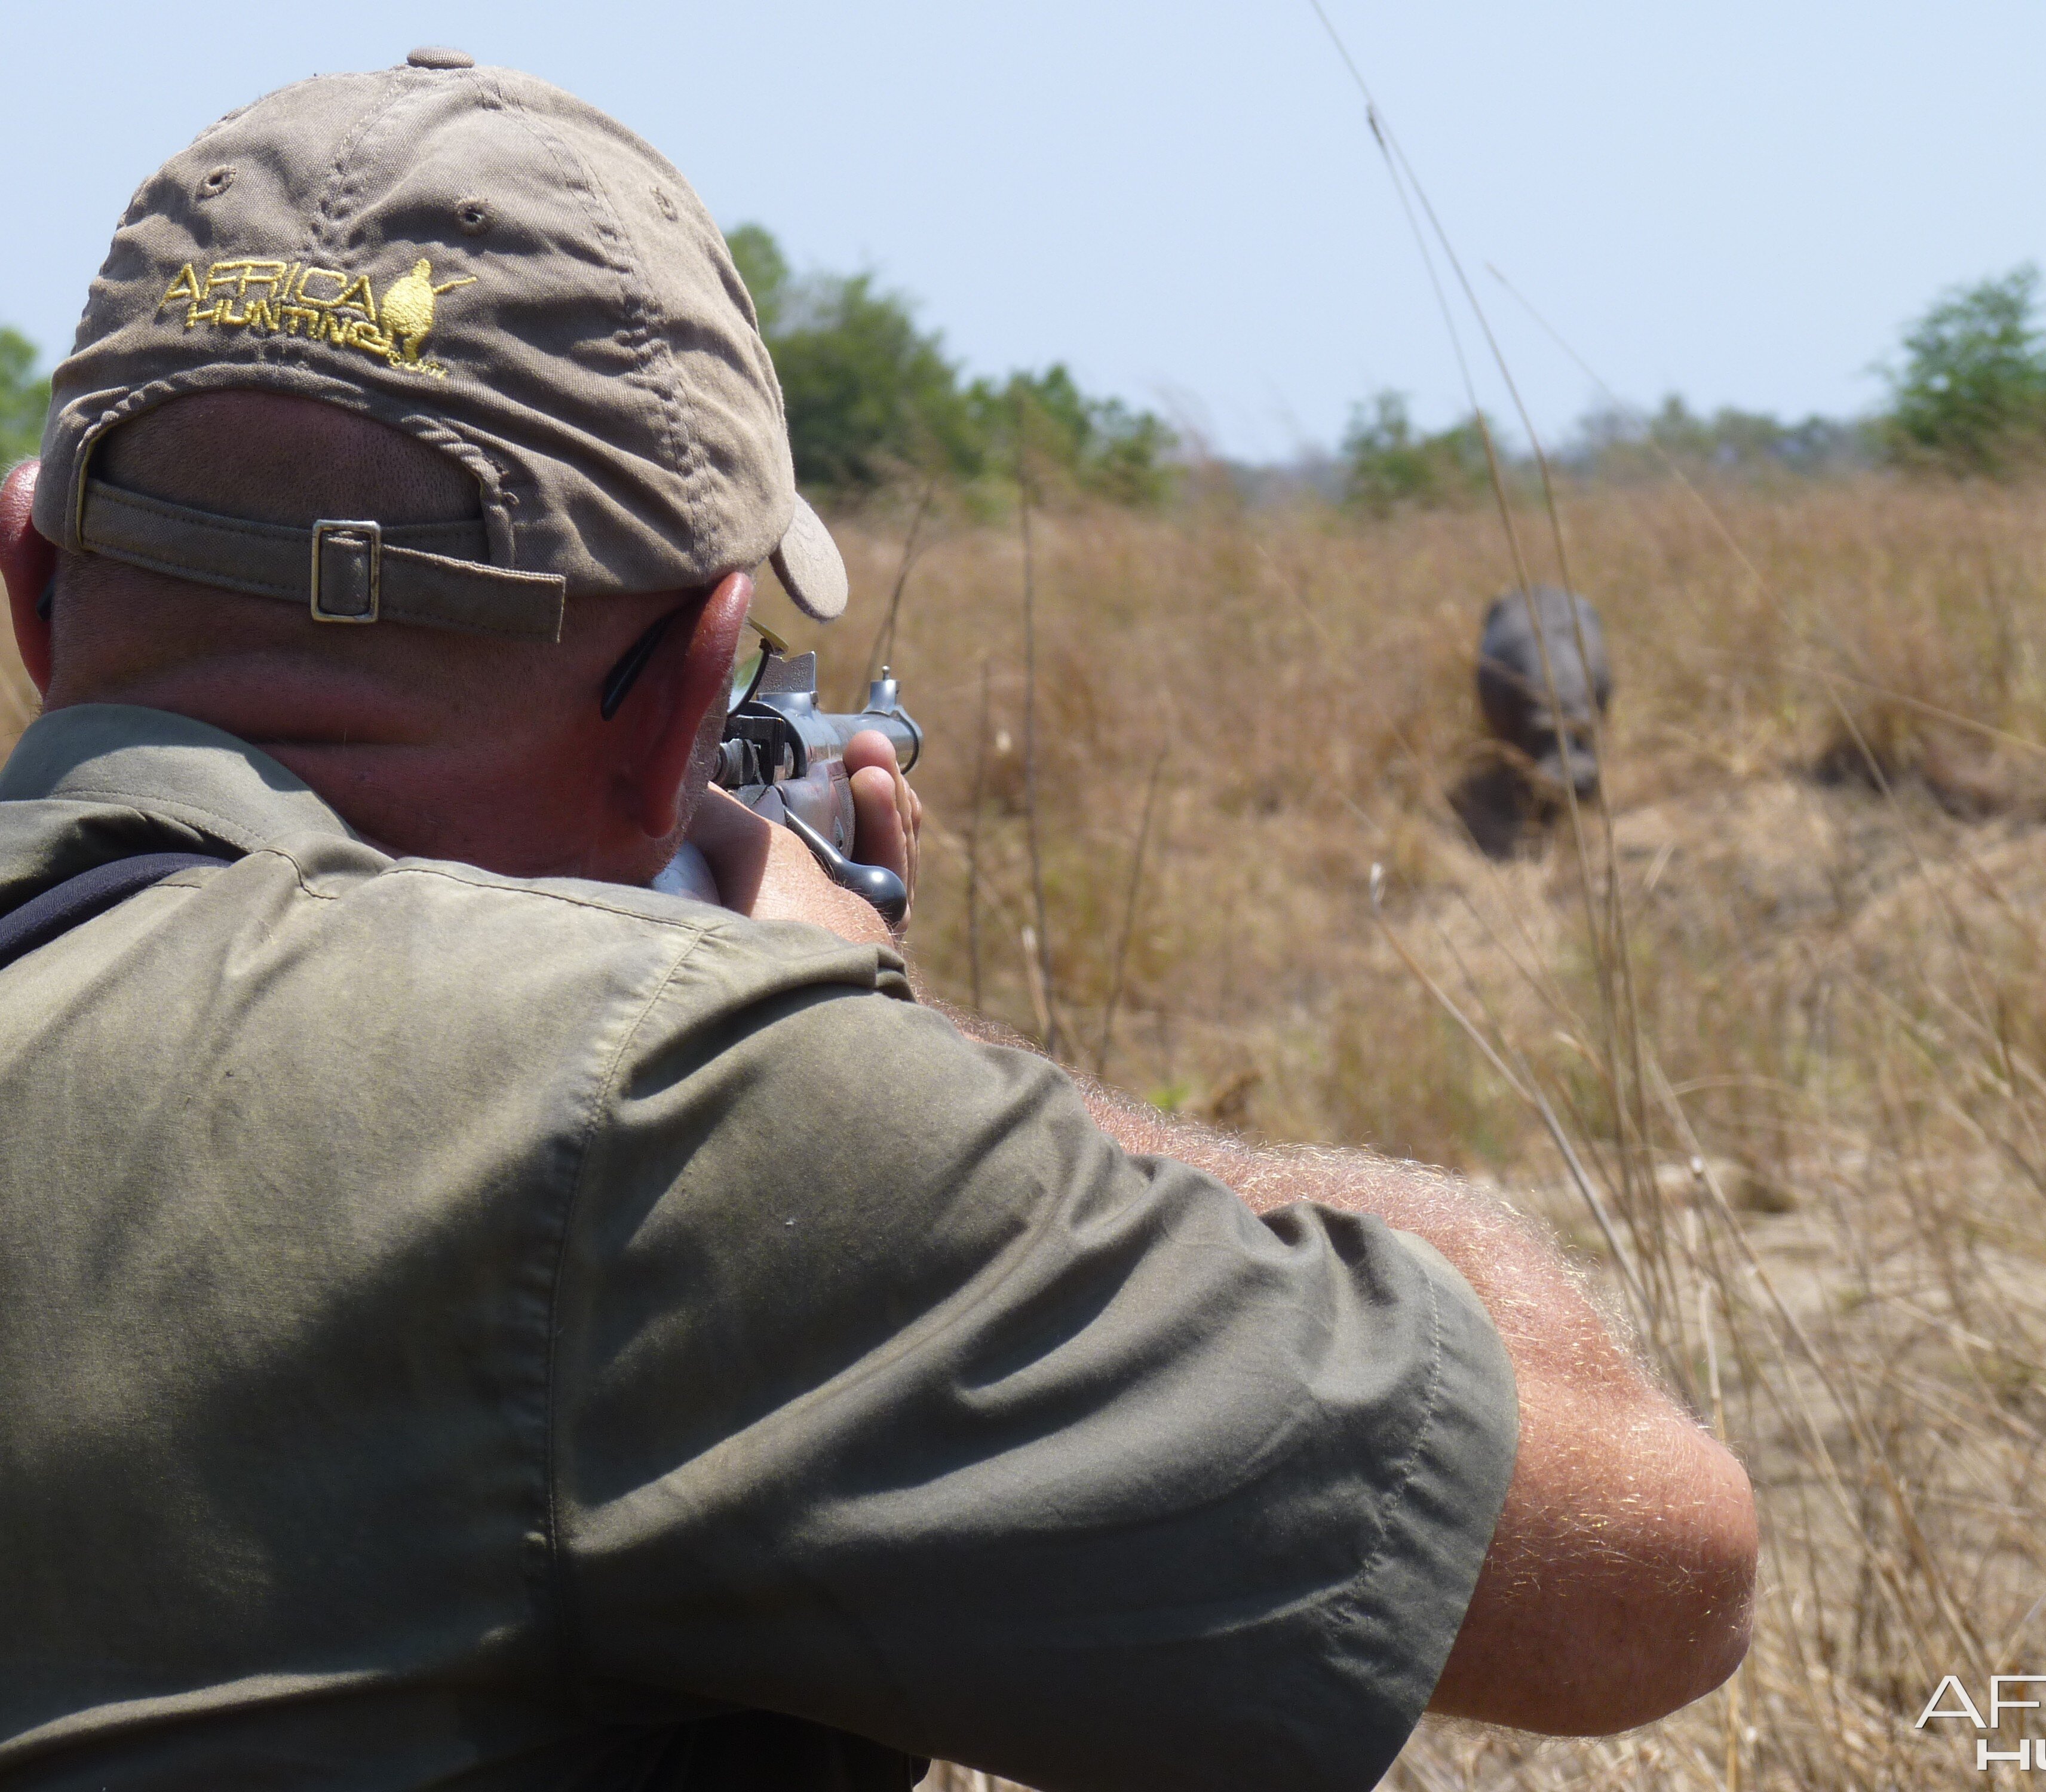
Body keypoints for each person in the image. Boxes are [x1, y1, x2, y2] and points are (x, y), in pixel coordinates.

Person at [0, 50, 1755, 1792]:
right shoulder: (662, 1123)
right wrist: (872, 1044)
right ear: (694, 691)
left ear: (34, 585)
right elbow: (1647, 1567)